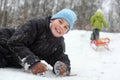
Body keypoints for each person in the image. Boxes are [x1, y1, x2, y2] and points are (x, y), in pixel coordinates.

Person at [0, 8, 77, 76]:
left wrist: (63, 67)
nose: (61, 27)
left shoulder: (58, 43)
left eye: (66, 27)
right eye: (60, 22)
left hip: (10, 60)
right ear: (52, 19)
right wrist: (33, 63)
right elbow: (15, 42)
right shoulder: (36, 25)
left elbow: (59, 56)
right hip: (3, 42)